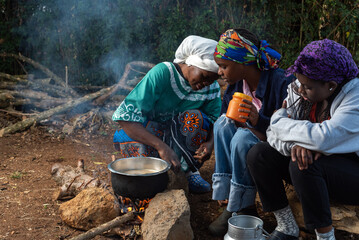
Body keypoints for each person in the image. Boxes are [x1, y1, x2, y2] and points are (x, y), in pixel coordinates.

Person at [247, 39, 359, 240]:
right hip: (320, 167)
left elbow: (323, 137)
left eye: (306, 87)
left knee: (303, 164)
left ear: (331, 86)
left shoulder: (354, 96)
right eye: (299, 83)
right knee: (259, 154)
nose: (299, 90)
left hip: (352, 173)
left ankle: (325, 236)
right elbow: (273, 133)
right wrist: (295, 144)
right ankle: (287, 226)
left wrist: (278, 117)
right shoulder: (302, 85)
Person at [208, 28, 295, 236]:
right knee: (222, 124)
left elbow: (290, 130)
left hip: (274, 151)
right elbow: (225, 119)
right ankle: (231, 199)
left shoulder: (281, 82)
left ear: (243, 63)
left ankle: (242, 205)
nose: (220, 72)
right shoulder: (237, 83)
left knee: (242, 136)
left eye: (224, 66)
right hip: (245, 144)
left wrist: (259, 120)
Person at [112, 35, 222, 194]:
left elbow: (215, 121)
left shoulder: (211, 89)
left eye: (211, 81)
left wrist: (210, 143)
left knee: (195, 118)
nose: (206, 84)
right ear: (191, 63)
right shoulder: (163, 73)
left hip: (182, 143)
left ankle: (187, 172)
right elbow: (125, 118)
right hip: (152, 136)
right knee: (125, 138)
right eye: (204, 77)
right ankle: (150, 174)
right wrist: (160, 146)